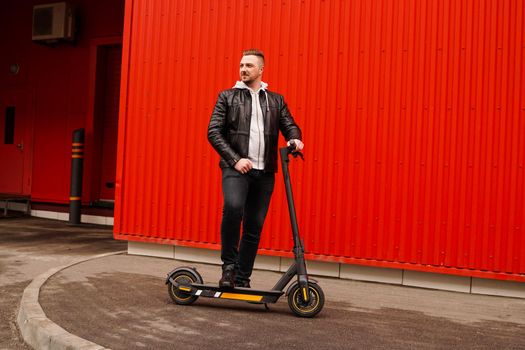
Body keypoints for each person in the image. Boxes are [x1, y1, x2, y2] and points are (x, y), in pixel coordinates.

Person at [207, 49, 303, 288]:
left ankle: (242, 277)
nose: (243, 69)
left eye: (249, 65)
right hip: (236, 169)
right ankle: (228, 269)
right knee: (233, 209)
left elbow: (289, 125)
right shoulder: (227, 97)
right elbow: (213, 131)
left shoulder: (275, 100)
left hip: (265, 172)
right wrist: (235, 159)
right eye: (241, 65)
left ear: (261, 69)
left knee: (254, 225)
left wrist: (294, 138)